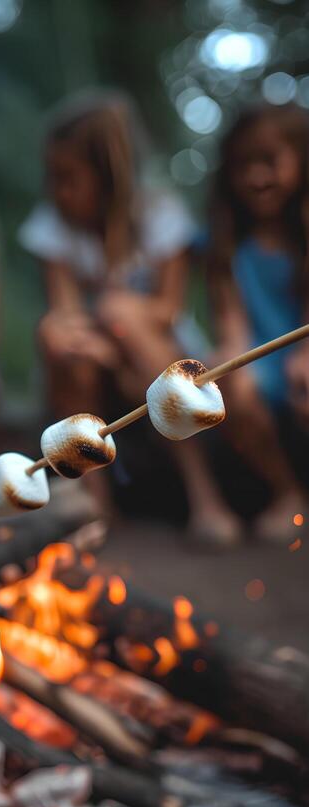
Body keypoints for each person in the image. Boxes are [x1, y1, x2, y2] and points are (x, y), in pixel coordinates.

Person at [19, 89, 240, 545]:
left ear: (107, 176)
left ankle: (206, 496)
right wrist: (76, 337)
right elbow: (64, 315)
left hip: (167, 359)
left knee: (122, 311)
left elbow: (166, 309)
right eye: (52, 178)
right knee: (55, 339)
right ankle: (96, 504)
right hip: (95, 362)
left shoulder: (160, 216)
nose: (57, 191)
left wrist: (112, 329)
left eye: (69, 178)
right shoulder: (53, 226)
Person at [207, 102, 308, 542]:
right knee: (229, 381)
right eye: (243, 165)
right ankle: (288, 493)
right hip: (263, 359)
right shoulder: (227, 243)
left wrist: (305, 356)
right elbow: (232, 325)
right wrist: (227, 361)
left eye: (269, 162)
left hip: (303, 353)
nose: (256, 177)